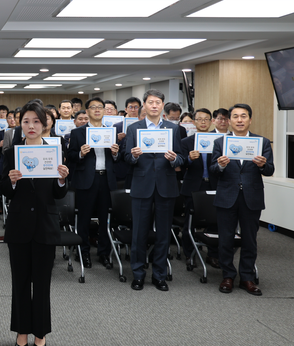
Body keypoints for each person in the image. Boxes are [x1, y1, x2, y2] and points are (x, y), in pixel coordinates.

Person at [0, 101, 69, 346]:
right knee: (20, 282)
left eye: (36, 121)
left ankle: (40, 333)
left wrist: (62, 179)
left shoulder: (55, 151)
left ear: (45, 124)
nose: (31, 126)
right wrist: (12, 182)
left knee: (42, 284)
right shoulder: (11, 153)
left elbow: (58, 193)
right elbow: (3, 190)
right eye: (26, 121)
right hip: (19, 225)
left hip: (45, 225)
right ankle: (21, 331)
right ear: (20, 123)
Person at [210, 104, 274, 296]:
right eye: (235, 116)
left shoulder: (261, 142)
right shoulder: (221, 142)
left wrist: (263, 165)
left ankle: (247, 277)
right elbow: (213, 170)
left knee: (249, 239)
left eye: (243, 116)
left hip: (251, 197)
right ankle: (228, 275)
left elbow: (270, 170)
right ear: (229, 120)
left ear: (250, 120)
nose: (239, 120)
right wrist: (220, 166)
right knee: (226, 239)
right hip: (226, 196)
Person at [124, 89, 183, 292]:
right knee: (139, 233)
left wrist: (174, 159)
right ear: (145, 106)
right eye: (150, 102)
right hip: (142, 185)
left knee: (163, 234)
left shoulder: (173, 129)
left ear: (162, 105)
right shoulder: (134, 129)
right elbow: (126, 158)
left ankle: (159, 275)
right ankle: (138, 274)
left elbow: (181, 158)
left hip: (166, 186)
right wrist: (134, 155)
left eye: (158, 102)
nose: (154, 106)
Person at [68, 97, 119, 269]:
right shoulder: (77, 133)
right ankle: (83, 253)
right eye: (93, 107)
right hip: (86, 180)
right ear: (87, 111)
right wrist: (81, 154)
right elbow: (71, 157)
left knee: (105, 219)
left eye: (100, 107)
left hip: (106, 179)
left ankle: (104, 253)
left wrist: (115, 154)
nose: (97, 110)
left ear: (105, 111)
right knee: (84, 219)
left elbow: (118, 160)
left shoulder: (112, 132)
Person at [180, 108, 219, 268]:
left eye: (206, 119)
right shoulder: (186, 142)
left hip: (214, 184)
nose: (203, 122)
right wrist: (189, 159)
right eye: (199, 119)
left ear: (211, 122)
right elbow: (179, 165)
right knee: (190, 222)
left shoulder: (219, 141)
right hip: (193, 186)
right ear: (194, 122)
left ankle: (213, 254)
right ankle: (190, 254)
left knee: (215, 221)